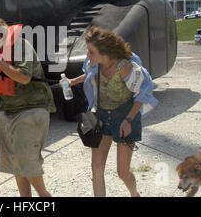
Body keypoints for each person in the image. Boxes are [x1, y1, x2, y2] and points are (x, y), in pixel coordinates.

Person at [66, 26, 157, 197]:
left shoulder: (125, 67)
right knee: (97, 168)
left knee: (122, 172)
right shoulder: (95, 63)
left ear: (105, 53)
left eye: (91, 52)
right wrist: (72, 81)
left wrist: (129, 120)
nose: (87, 55)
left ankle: (134, 193)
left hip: (125, 117)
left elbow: (144, 92)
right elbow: (90, 74)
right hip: (101, 117)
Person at [0, 18, 56, 197]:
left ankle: (45, 196)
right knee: (15, 163)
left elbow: (24, 78)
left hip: (31, 109)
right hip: (7, 110)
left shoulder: (20, 45)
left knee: (26, 161)